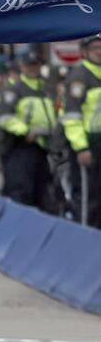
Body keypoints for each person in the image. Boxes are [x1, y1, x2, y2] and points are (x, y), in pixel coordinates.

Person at [0, 46, 56, 207]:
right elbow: (5, 118)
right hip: (21, 147)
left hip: (42, 148)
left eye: (35, 65)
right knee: (20, 191)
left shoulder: (45, 90)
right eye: (29, 65)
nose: (32, 68)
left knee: (41, 192)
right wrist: (25, 131)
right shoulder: (14, 89)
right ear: (22, 66)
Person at [60, 33, 101, 226]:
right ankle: (83, 241)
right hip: (88, 143)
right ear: (84, 52)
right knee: (87, 197)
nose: (99, 52)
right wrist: (81, 147)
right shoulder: (79, 76)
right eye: (95, 48)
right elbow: (71, 117)